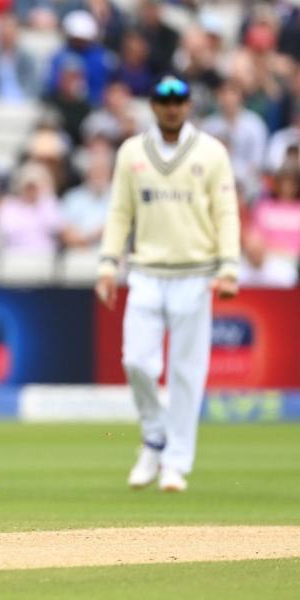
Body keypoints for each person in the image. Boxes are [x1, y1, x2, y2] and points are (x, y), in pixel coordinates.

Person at [95, 76, 240, 494]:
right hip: (146, 272)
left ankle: (175, 463)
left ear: (189, 104)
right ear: (153, 105)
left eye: (178, 100)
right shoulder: (132, 152)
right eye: (163, 100)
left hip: (195, 273)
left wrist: (228, 267)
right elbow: (120, 212)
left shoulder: (212, 152)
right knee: (136, 361)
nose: (171, 107)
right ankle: (154, 436)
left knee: (186, 374)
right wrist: (108, 264)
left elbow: (226, 212)